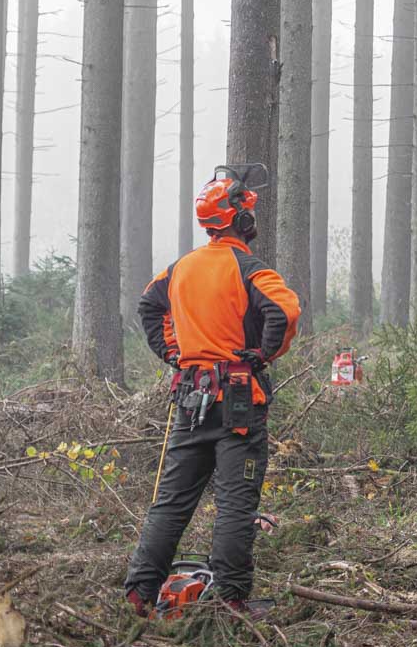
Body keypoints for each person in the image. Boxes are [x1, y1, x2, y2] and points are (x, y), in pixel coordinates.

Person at [125, 165, 301, 616]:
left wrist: (173, 353)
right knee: (236, 504)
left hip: (190, 401)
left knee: (171, 502)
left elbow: (148, 305)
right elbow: (285, 311)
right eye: (247, 211)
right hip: (238, 404)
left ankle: (140, 595)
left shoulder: (180, 269)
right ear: (239, 219)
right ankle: (230, 599)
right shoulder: (249, 269)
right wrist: (262, 355)